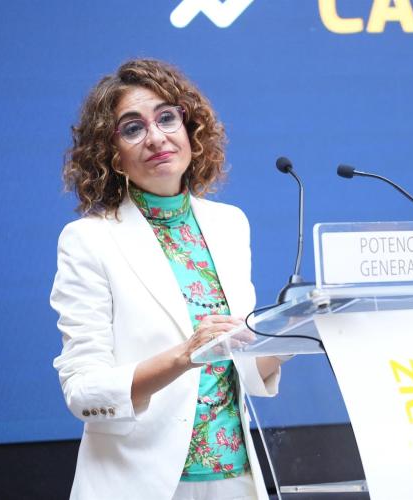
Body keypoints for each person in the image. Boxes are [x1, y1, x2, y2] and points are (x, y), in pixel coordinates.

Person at [50, 58, 282, 500]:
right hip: (138, 482)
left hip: (234, 477)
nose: (156, 137)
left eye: (166, 118)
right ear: (111, 153)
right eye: (132, 128)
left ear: (190, 129)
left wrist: (289, 337)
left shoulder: (230, 224)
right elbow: (82, 392)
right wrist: (184, 356)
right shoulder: (88, 240)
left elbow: (244, 370)